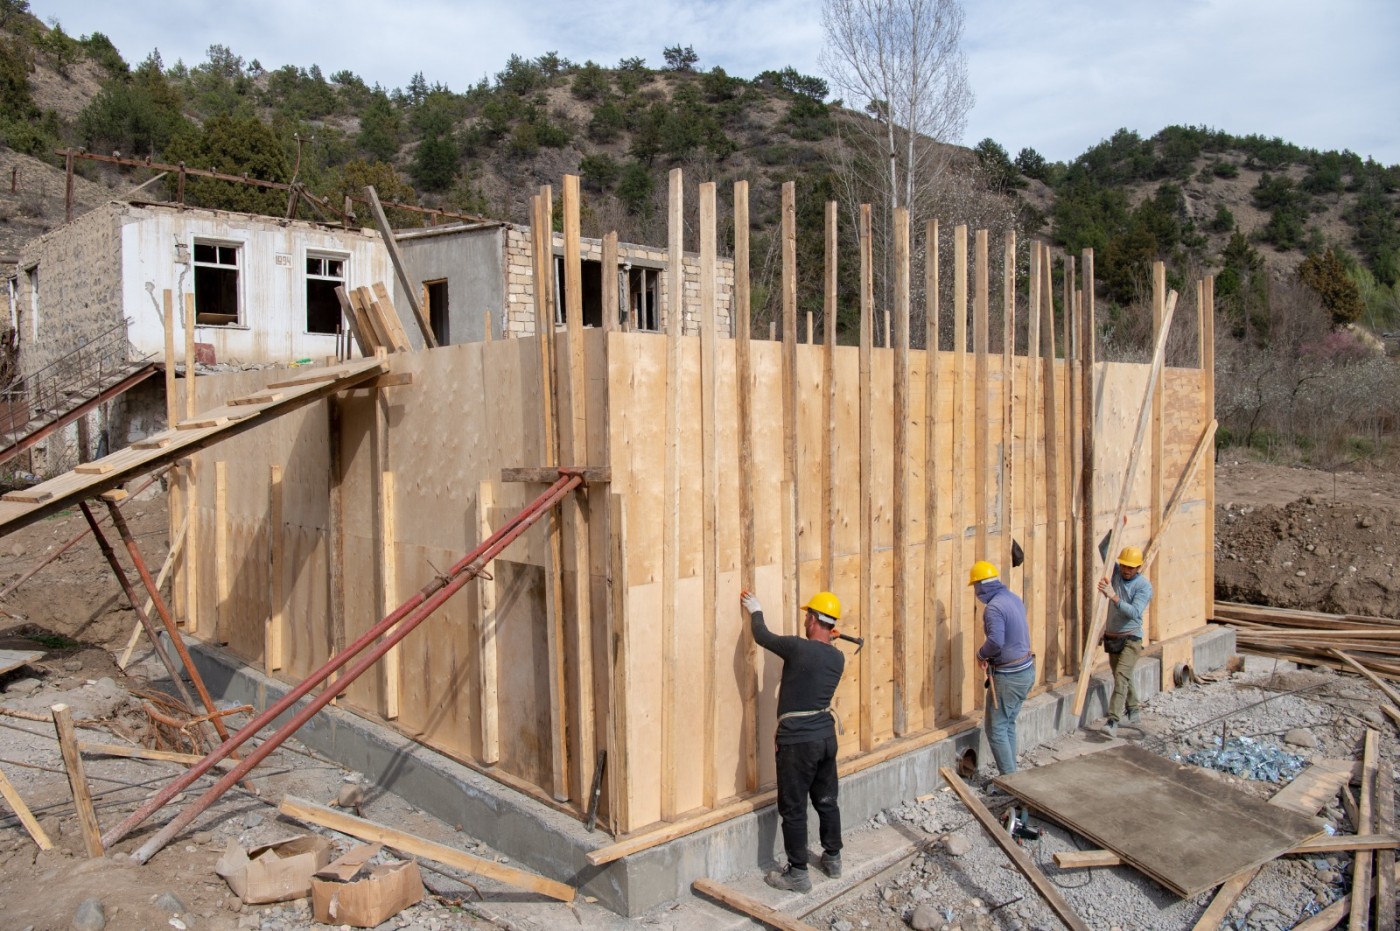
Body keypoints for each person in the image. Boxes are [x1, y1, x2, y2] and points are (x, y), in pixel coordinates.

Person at [740, 589, 845, 893]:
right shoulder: (836, 657)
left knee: (794, 807)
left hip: (799, 742)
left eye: (806, 617)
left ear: (813, 620)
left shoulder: (798, 648)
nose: (804, 621)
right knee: (826, 800)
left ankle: (797, 873)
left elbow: (762, 636)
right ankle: (833, 858)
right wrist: (827, 640)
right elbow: (817, 661)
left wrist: (755, 609)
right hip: (825, 736)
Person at [970, 559, 1040, 841]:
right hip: (1025, 670)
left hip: (1009, 677)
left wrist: (981, 653)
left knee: (996, 728)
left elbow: (996, 641)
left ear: (981, 586)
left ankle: (1011, 785)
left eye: (975, 587)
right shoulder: (1011, 598)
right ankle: (1012, 776)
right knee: (1008, 724)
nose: (976, 593)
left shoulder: (994, 608)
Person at [1096, 541, 1154, 738]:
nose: (1126, 570)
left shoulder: (1143, 586)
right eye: (1124, 566)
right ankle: (1134, 708)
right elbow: (1104, 548)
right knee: (1122, 676)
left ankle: (1112, 721)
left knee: (1121, 676)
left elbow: (1135, 612)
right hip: (1113, 637)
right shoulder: (1116, 574)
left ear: (1138, 567)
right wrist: (1118, 524)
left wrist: (1113, 596)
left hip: (1131, 638)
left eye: (1131, 567)